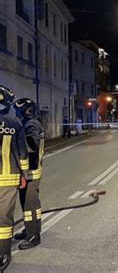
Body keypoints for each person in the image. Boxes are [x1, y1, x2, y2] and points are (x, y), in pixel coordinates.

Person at [0, 86, 29, 271]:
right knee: (4, 219)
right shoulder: (16, 123)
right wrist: (23, 175)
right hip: (9, 180)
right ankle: (3, 253)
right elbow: (23, 154)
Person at [13, 98, 44, 250]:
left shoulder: (30, 124)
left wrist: (18, 140)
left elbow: (33, 145)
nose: (16, 113)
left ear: (26, 110)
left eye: (18, 110)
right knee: (29, 204)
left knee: (30, 204)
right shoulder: (33, 122)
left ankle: (33, 236)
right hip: (31, 170)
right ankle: (30, 229)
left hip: (30, 172)